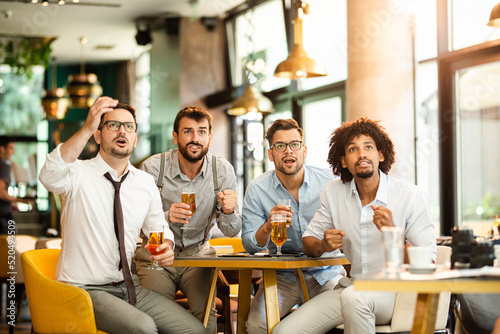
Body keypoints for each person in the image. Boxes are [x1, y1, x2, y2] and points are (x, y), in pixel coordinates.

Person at [39, 96, 205, 334]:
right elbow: (49, 175)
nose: (122, 131)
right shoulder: (76, 174)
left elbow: (159, 228)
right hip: (83, 290)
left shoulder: (145, 183)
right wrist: (86, 127)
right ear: (98, 135)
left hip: (129, 286)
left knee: (193, 330)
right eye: (112, 125)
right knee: (144, 329)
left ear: (135, 138)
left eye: (129, 126)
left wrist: (167, 245)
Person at [273, 117, 436, 334]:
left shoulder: (410, 196)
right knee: (284, 331)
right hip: (352, 288)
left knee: (354, 299)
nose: (361, 154)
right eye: (352, 149)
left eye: (368, 147)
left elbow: (428, 263)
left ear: (380, 154)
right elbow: (308, 244)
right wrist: (323, 245)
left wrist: (393, 234)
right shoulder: (334, 192)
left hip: (398, 293)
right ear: (343, 161)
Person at [134, 105, 242, 333]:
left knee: (207, 318)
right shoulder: (152, 168)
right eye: (188, 131)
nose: (195, 138)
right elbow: (135, 221)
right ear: (175, 136)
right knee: (157, 320)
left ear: (210, 137)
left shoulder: (222, 170)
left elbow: (231, 231)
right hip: (157, 256)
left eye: (202, 132)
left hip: (198, 256)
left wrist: (230, 211)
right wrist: (164, 217)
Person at [241, 119, 345, 334]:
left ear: (304, 150)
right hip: (281, 278)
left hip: (325, 271)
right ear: (271, 154)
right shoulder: (257, 188)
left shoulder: (330, 181)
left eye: (294, 144)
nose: (288, 151)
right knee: (256, 325)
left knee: (344, 317)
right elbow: (250, 245)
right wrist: (268, 226)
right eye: (280, 146)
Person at [0, 136, 33, 234]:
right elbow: (1, 193)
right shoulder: (4, 166)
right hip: (3, 218)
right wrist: (20, 200)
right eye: (10, 148)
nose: (13, 152)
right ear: (1, 148)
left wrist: (11, 202)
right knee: (10, 248)